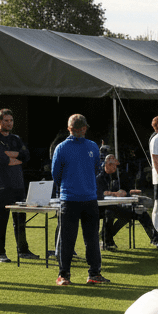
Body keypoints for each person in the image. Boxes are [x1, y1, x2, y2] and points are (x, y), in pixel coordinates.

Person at [52, 114, 107, 286]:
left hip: (80, 198)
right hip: (76, 198)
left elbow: (56, 175)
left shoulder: (66, 147)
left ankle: (72, 275)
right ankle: (82, 274)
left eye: (82, 128)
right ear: (76, 129)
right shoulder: (68, 147)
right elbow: (56, 175)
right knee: (81, 239)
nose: (81, 131)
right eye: (80, 128)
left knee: (82, 239)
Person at [0, 108, 39, 263]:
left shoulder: (15, 138)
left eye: (11, 120)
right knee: (1, 220)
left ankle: (23, 250)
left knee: (20, 219)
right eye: (6, 120)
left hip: (18, 185)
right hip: (2, 185)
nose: (9, 123)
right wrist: (14, 156)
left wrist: (10, 154)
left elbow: (26, 155)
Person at [98, 155, 158, 250]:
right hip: (106, 208)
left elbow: (119, 192)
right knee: (111, 214)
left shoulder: (114, 177)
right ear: (108, 164)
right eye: (114, 166)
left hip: (116, 206)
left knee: (141, 212)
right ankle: (106, 239)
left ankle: (156, 239)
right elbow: (100, 193)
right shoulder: (100, 177)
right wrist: (115, 194)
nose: (115, 168)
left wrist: (129, 193)